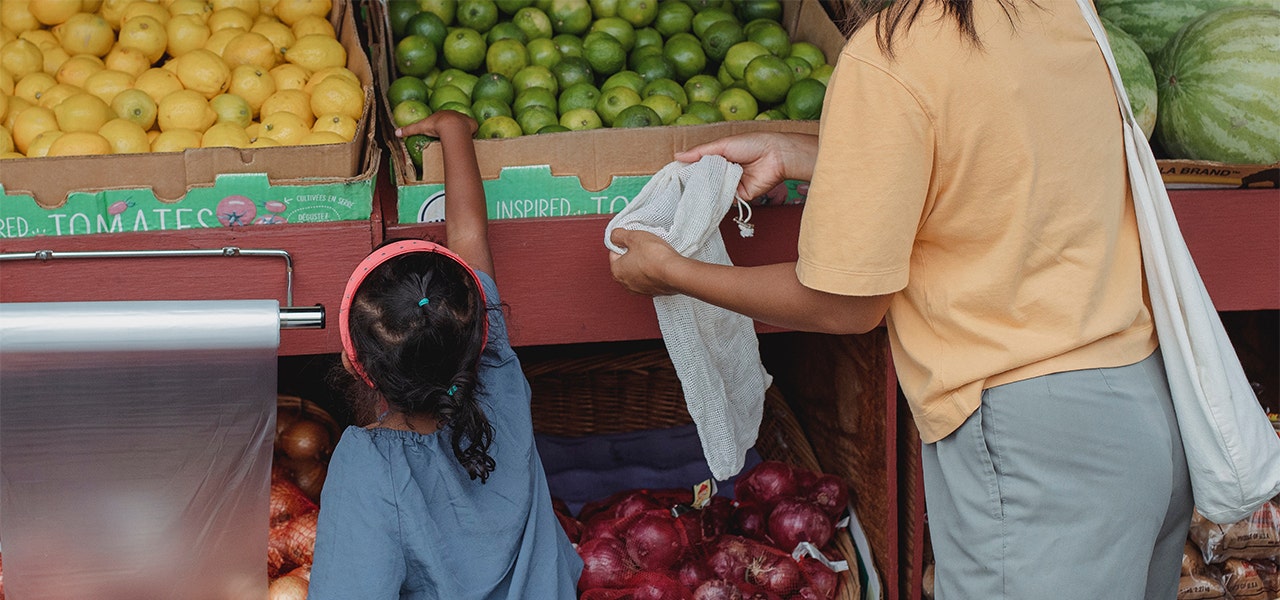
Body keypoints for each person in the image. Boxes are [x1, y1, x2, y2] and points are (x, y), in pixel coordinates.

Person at [608, 1, 1192, 599]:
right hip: (1142, 411)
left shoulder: (892, 52)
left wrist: (674, 271)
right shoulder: (1056, 11)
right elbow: (988, 163)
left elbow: (844, 303)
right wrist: (808, 154)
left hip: (1036, 444)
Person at [308, 110, 583, 599]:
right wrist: (455, 131)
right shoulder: (498, 376)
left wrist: (453, 132)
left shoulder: (367, 466)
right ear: (480, 333)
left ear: (355, 363)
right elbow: (471, 236)